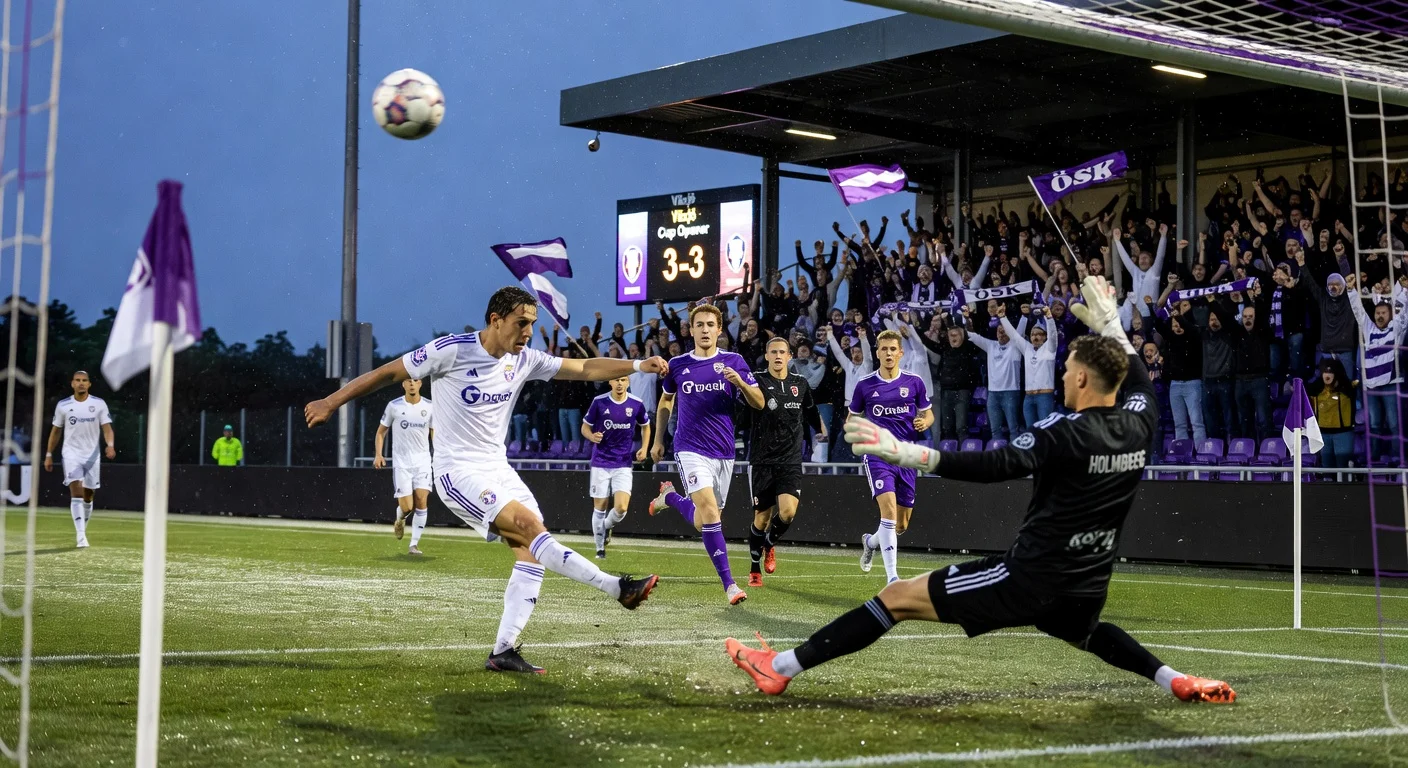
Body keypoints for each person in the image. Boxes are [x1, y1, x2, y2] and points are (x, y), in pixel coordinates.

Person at [726, 276, 1236, 706]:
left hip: (1028, 578)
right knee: (1084, 630)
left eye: (1066, 370)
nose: (1061, 375)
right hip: (1087, 580)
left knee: (895, 598)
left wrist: (907, 453)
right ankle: (1176, 679)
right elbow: (1139, 380)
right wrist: (1113, 326)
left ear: (1082, 379)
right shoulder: (1140, 423)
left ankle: (780, 667)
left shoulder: (1063, 431)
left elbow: (995, 464)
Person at [304, 287, 662, 674]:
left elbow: (585, 368)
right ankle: (617, 587)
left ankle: (503, 652)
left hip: (498, 469)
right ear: (496, 320)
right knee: (529, 529)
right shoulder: (451, 350)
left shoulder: (524, 359)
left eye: (532, 324)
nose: (528, 332)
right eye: (521, 323)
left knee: (531, 549)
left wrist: (637, 365)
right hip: (457, 472)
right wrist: (331, 401)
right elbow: (387, 373)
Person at [648, 304, 764, 605]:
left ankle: (671, 498)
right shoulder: (678, 365)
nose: (704, 329)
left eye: (710, 324)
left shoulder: (734, 361)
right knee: (711, 514)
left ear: (719, 329)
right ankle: (730, 585)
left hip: (724, 451)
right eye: (699, 324)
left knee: (704, 521)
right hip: (689, 448)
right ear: (691, 329)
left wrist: (740, 383)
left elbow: (759, 402)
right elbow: (666, 400)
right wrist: (658, 440)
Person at [850, 330, 933, 584]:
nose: (888, 353)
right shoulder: (865, 385)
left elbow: (928, 413)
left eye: (892, 349)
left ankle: (871, 541)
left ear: (901, 353)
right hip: (878, 455)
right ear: (877, 353)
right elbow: (851, 419)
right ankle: (892, 579)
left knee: (901, 525)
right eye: (883, 349)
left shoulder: (914, 382)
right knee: (888, 513)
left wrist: (924, 422)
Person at [742, 337, 826, 587]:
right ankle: (754, 568)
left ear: (789, 356)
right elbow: (743, 411)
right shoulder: (757, 380)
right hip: (762, 460)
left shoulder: (800, 383)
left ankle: (769, 544)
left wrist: (820, 429)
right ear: (767, 356)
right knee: (762, 519)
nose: (778, 356)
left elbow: (810, 410)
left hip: (790, 459)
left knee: (788, 513)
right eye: (773, 352)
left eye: (782, 352)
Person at [581, 376, 650, 558]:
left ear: (628, 383)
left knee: (621, 508)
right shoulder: (599, 402)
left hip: (623, 463)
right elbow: (585, 427)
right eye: (616, 380)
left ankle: (605, 527)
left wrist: (644, 448)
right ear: (610, 382)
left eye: (623, 380)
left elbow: (646, 426)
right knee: (600, 508)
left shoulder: (636, 403)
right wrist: (591, 436)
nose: (620, 383)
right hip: (601, 462)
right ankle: (599, 550)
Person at [44, 371, 114, 548]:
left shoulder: (98, 404)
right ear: (72, 383)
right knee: (76, 491)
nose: (81, 383)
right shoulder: (63, 405)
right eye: (78, 380)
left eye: (84, 380)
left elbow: (107, 428)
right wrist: (49, 454)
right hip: (71, 454)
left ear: (89, 384)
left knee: (88, 495)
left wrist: (110, 445)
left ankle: (83, 528)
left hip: (92, 455)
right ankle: (81, 536)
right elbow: (56, 431)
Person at [1348, 281, 1408, 462]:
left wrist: (1404, 290)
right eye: (1377, 313)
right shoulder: (1369, 329)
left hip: (1391, 383)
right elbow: (1358, 312)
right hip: (1371, 385)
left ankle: (1397, 458)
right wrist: (1351, 290)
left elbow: (1403, 311)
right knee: (1374, 424)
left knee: (1394, 424)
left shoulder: (1397, 328)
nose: (1379, 316)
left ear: (1390, 314)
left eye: (1383, 313)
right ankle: (1374, 459)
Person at [374, 378, 433, 555]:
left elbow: (434, 433)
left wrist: (439, 454)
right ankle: (400, 519)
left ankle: (413, 545)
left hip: (423, 462)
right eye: (408, 381)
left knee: (421, 501)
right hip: (402, 463)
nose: (412, 384)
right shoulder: (394, 406)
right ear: (403, 384)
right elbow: (381, 432)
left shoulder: (430, 406)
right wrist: (378, 454)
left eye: (415, 380)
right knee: (407, 507)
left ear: (420, 384)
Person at [1002, 306, 1058, 429]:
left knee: (1045, 431)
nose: (1035, 337)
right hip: (1028, 397)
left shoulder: (1050, 348)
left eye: (1038, 334)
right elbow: (1014, 336)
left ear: (1045, 336)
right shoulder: (1027, 348)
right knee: (1030, 431)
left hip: (1044, 397)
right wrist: (1002, 317)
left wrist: (1049, 318)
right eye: (1032, 334)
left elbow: (1053, 335)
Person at [1306, 358, 1355, 469]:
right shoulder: (1316, 388)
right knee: (1326, 467)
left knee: (1343, 468)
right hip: (1323, 433)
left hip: (1343, 433)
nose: (1327, 375)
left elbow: (1351, 386)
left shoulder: (1348, 387)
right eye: (1325, 372)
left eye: (1331, 372)